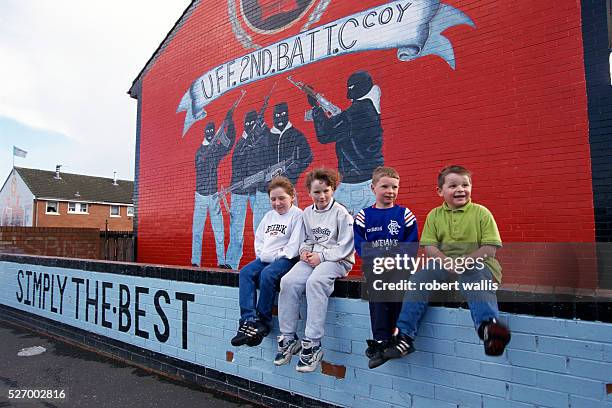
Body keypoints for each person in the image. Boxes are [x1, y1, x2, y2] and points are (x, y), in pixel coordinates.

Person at [384, 165, 511, 360]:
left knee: (474, 276)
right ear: (440, 191)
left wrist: (466, 261)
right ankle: (404, 337)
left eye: (465, 185)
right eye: (453, 186)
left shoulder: (481, 213)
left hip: (477, 264)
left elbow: (490, 248)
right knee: (419, 278)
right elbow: (430, 248)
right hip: (444, 267)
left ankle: (488, 329)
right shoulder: (434, 216)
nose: (460, 189)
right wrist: (447, 263)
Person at [275, 168, 355, 372]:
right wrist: (304, 252)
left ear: (333, 190)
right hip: (313, 258)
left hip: (337, 260)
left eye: (326, 191)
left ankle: (313, 344)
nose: (322, 196)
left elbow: (346, 246)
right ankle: (288, 338)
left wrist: (322, 256)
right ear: (309, 193)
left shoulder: (341, 213)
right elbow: (307, 240)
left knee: (315, 282)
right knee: (288, 281)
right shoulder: (307, 213)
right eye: (317, 192)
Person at [353, 166, 418, 369]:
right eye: (385, 186)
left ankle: (398, 339)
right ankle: (381, 340)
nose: (390, 191)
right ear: (373, 188)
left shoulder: (405, 214)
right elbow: (359, 245)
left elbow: (411, 244)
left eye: (395, 187)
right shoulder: (363, 216)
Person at [231, 176, 304, 347]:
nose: (277, 203)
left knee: (267, 275)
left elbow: (294, 247)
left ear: (291, 196)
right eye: (273, 199)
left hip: (287, 260)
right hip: (266, 258)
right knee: (246, 272)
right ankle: (248, 320)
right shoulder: (269, 216)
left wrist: (273, 257)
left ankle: (263, 322)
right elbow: (259, 240)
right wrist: (263, 255)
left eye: (282, 198)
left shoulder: (298, 216)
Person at [308, 70, 383, 215]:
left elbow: (324, 135)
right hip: (368, 181)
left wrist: (315, 108)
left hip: (355, 183)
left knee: (339, 230)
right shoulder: (369, 108)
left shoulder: (357, 111)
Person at [226, 110, 269, 270]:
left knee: (260, 228)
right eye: (248, 123)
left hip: (257, 189)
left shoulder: (264, 137)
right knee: (236, 230)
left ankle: (262, 261)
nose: (250, 126)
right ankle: (231, 263)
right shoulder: (243, 141)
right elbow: (237, 159)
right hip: (239, 190)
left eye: (253, 123)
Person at [191, 112, 235, 268]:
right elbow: (200, 164)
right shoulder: (200, 151)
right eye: (208, 131)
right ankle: (195, 262)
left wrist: (230, 123)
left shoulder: (215, 149)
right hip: (201, 196)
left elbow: (228, 144)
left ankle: (221, 262)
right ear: (204, 133)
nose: (210, 133)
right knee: (197, 231)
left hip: (214, 195)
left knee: (219, 231)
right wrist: (209, 151)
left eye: (212, 130)